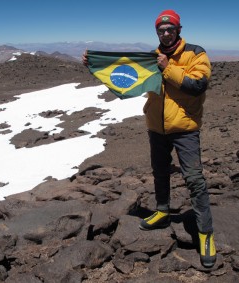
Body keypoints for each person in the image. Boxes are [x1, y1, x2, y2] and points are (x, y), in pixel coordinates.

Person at [83, 9, 216, 268]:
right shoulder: (151, 57)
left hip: (185, 128)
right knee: (160, 171)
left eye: (170, 29)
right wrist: (94, 63)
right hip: (156, 127)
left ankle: (205, 234)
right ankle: (163, 211)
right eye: (161, 30)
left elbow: (198, 85)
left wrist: (168, 69)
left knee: (194, 180)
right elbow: (123, 72)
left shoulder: (195, 53)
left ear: (178, 29)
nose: (165, 33)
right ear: (157, 32)